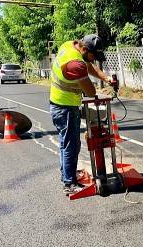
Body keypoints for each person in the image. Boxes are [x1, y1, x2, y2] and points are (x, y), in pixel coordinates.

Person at [50, 34, 113, 195]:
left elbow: (88, 65)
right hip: (66, 107)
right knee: (71, 146)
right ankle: (69, 183)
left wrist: (105, 77)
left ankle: (67, 174)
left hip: (60, 103)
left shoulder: (70, 45)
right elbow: (90, 91)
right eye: (93, 55)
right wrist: (102, 89)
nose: (94, 59)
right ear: (85, 49)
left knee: (66, 143)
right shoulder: (75, 65)